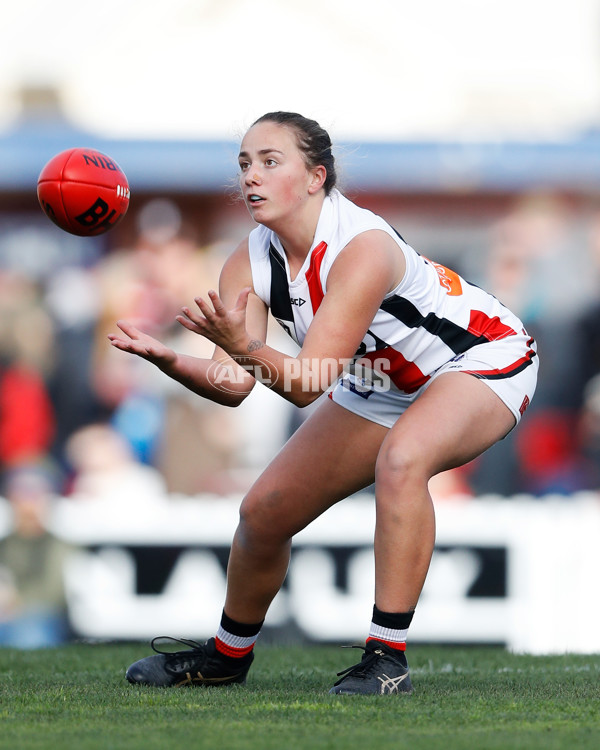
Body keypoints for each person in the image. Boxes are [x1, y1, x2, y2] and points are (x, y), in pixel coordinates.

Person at [108, 112, 538, 695]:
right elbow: (234, 385)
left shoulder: (362, 248)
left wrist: (246, 345)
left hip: (478, 358)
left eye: (269, 161)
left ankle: (386, 659)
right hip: (380, 378)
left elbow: (307, 383)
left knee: (402, 461)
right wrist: (171, 361)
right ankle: (226, 658)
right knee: (264, 512)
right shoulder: (250, 258)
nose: (250, 177)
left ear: (316, 177)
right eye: (244, 164)